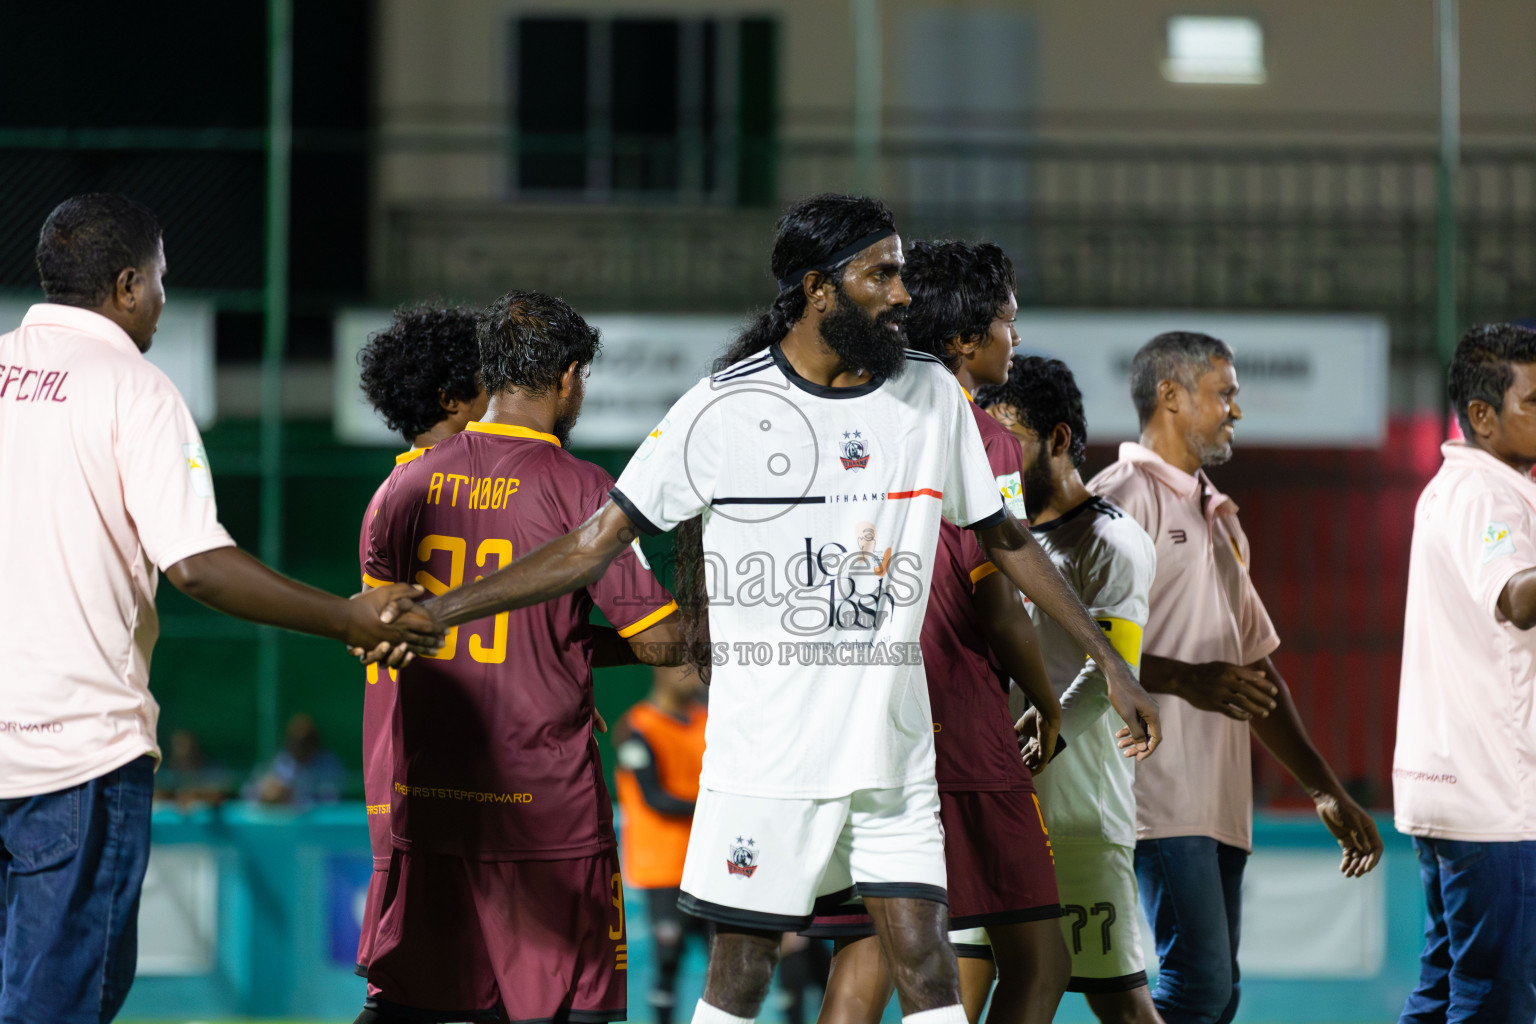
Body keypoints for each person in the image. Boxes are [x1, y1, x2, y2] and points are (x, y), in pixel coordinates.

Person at [370, 194, 1162, 1024]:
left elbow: (1003, 538)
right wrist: (445, 609)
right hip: (769, 764)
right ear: (819, 288)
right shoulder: (721, 408)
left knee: (927, 966)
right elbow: (592, 543)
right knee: (740, 975)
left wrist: (1109, 663)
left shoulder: (929, 395)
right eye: (882, 273)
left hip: (894, 759)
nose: (903, 293)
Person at [0, 195, 437, 1024]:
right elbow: (199, 565)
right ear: (128, 285)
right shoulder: (133, 387)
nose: (165, 298)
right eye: (163, 279)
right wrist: (351, 618)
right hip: (75, 761)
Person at [357, 290, 683, 1024]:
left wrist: (560, 643)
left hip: (433, 803)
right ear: (569, 377)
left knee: (410, 1006)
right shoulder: (582, 489)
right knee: (577, 1011)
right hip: (547, 815)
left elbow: (386, 634)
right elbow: (660, 641)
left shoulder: (400, 488)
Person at [804, 240, 1070, 1024]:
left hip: (855, 718)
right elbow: (998, 599)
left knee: (873, 948)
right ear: (962, 340)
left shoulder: (851, 421)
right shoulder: (985, 442)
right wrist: (1048, 698)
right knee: (1040, 957)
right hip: (954, 718)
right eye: (1006, 325)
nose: (1014, 343)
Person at [1086, 331, 1383, 1024]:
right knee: (1198, 987)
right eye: (1225, 394)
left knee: (1219, 997)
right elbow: (1073, 642)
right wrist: (1187, 681)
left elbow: (1254, 672)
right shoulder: (1122, 497)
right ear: (1170, 395)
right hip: (1153, 794)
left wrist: (1326, 790)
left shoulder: (1218, 514)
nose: (1235, 411)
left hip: (1218, 797)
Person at [979, 356, 1162, 1024]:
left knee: (1123, 1010)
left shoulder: (1112, 541)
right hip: (996, 813)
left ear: (1057, 440)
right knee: (957, 991)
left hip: (1078, 817)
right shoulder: (999, 538)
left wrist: (1025, 754)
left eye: (1008, 439)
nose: (993, 456)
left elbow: (1109, 673)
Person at [1394, 323, 1536, 1022]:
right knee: (1495, 1001)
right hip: (1491, 801)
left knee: (1446, 987)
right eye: (1534, 402)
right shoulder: (1486, 496)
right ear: (1483, 415)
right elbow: (1517, 596)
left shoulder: (1468, 488)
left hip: (1456, 788)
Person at [353, 302, 487, 974]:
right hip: (426, 756)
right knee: (412, 981)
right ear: (453, 397)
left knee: (464, 977)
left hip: (450, 753)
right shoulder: (412, 493)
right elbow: (380, 625)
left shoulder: (399, 490)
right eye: (489, 383)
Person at [614, 664, 711, 1024]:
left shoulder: (706, 721)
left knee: (726, 960)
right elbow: (654, 797)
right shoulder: (637, 728)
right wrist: (714, 806)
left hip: (708, 863)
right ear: (663, 672)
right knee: (667, 958)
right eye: (688, 667)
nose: (699, 676)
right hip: (663, 868)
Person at [243, 712, 348, 806]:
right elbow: (249, 794)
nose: (298, 748)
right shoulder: (281, 761)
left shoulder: (328, 763)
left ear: (314, 742)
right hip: (285, 825)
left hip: (320, 826)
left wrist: (293, 796)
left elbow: (332, 801)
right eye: (294, 742)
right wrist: (265, 794)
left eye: (304, 742)